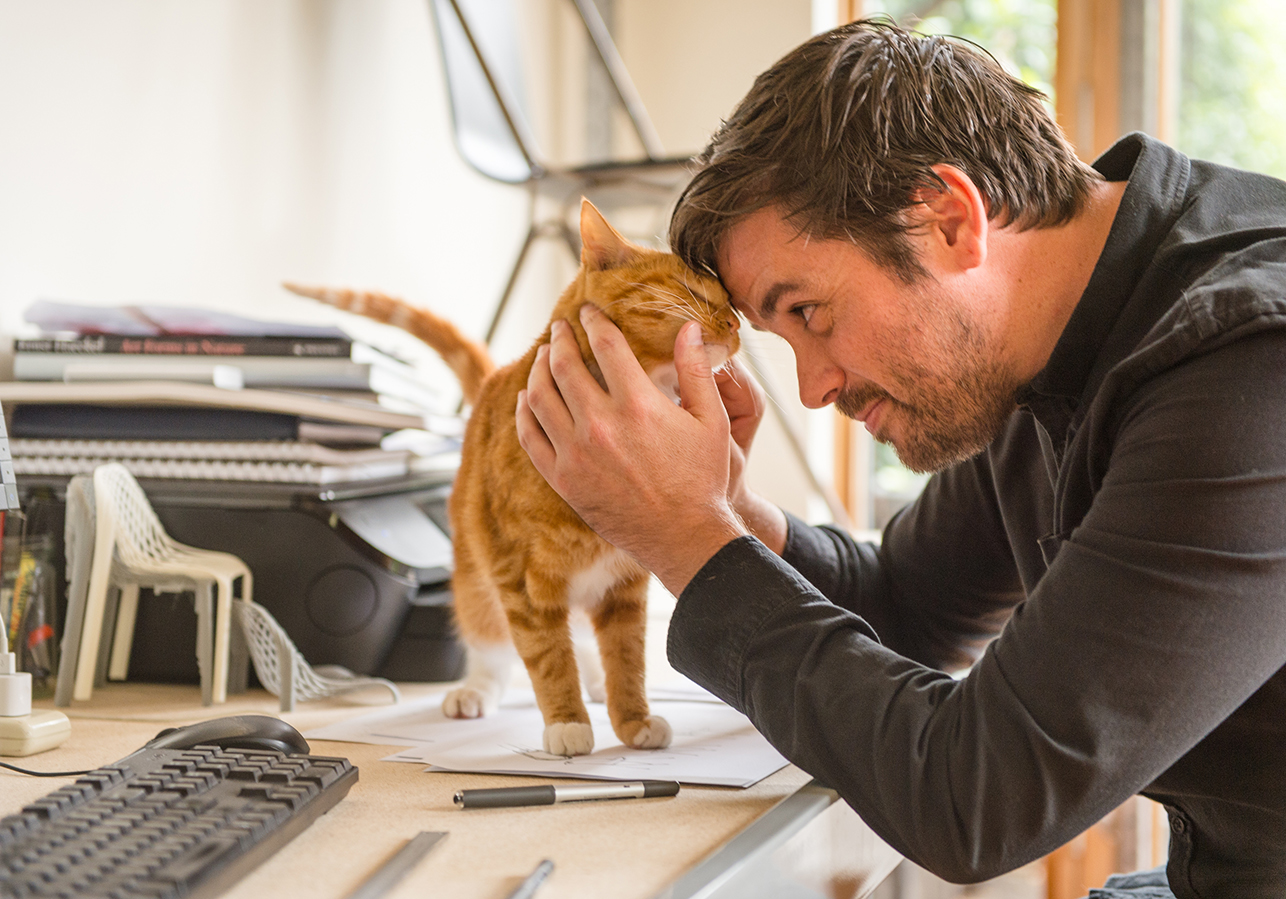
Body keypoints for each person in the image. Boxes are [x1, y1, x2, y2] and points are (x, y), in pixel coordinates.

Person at [514, 18, 1286, 899]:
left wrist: (690, 542)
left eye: (807, 312)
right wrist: (732, 518)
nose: (811, 387)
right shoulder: (1050, 343)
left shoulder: (1250, 367)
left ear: (950, 219)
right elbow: (903, 606)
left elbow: (976, 797)